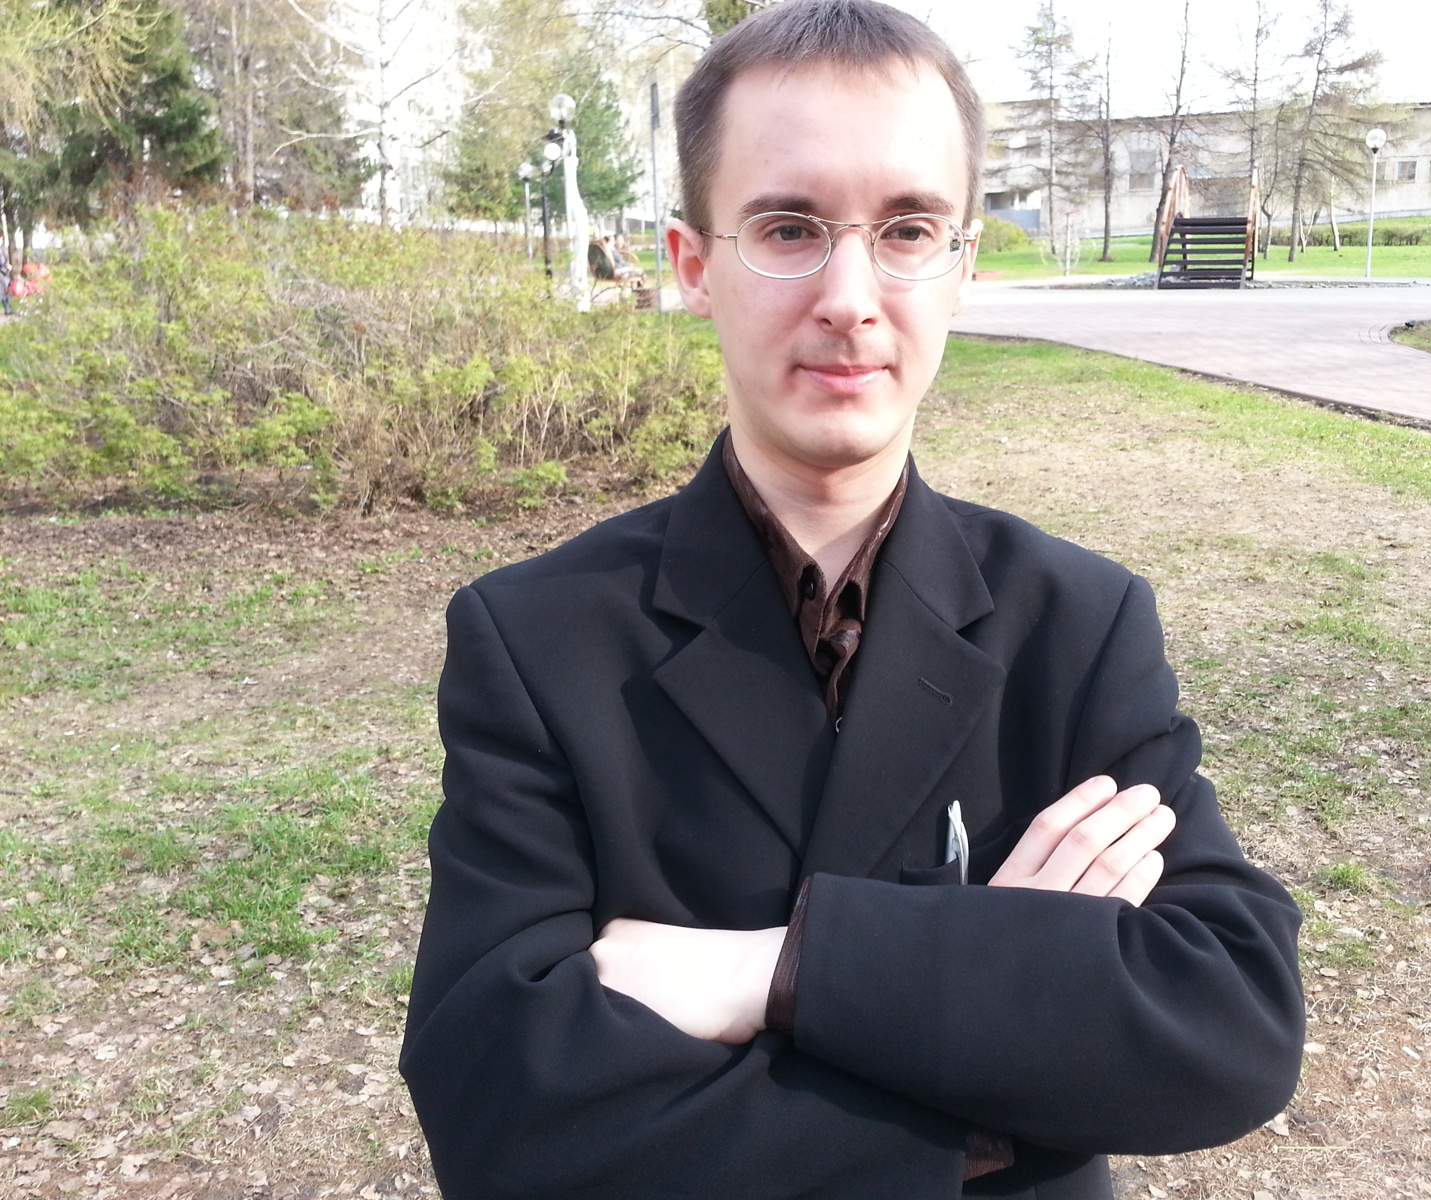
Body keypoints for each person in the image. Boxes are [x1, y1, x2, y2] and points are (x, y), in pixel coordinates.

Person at [399, 3, 1304, 1198]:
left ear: (962, 266)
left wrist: (773, 972)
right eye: (788, 227)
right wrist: (990, 1053)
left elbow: (1227, 1026)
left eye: (908, 229)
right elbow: (498, 1111)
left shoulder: (1076, 623)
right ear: (692, 266)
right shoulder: (538, 639)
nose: (850, 294)